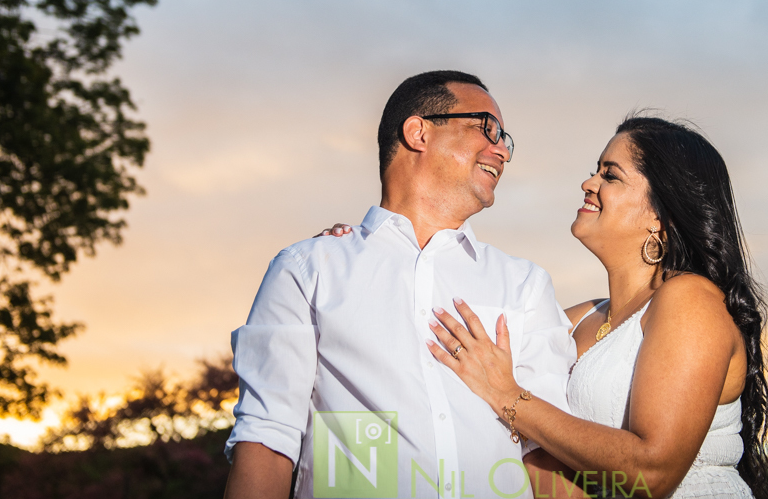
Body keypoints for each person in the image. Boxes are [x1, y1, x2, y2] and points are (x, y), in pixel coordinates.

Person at [223, 71, 577, 499]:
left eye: (505, 139)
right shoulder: (307, 269)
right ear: (418, 132)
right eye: (488, 128)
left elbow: (550, 450)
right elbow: (267, 437)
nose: (502, 149)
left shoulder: (525, 284)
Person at [424, 116, 768, 499]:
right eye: (596, 171)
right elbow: (442, 317)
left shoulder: (690, 300)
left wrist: (509, 398)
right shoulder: (576, 320)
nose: (588, 183)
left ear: (660, 214)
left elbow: (653, 471)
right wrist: (364, 247)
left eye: (611, 176)